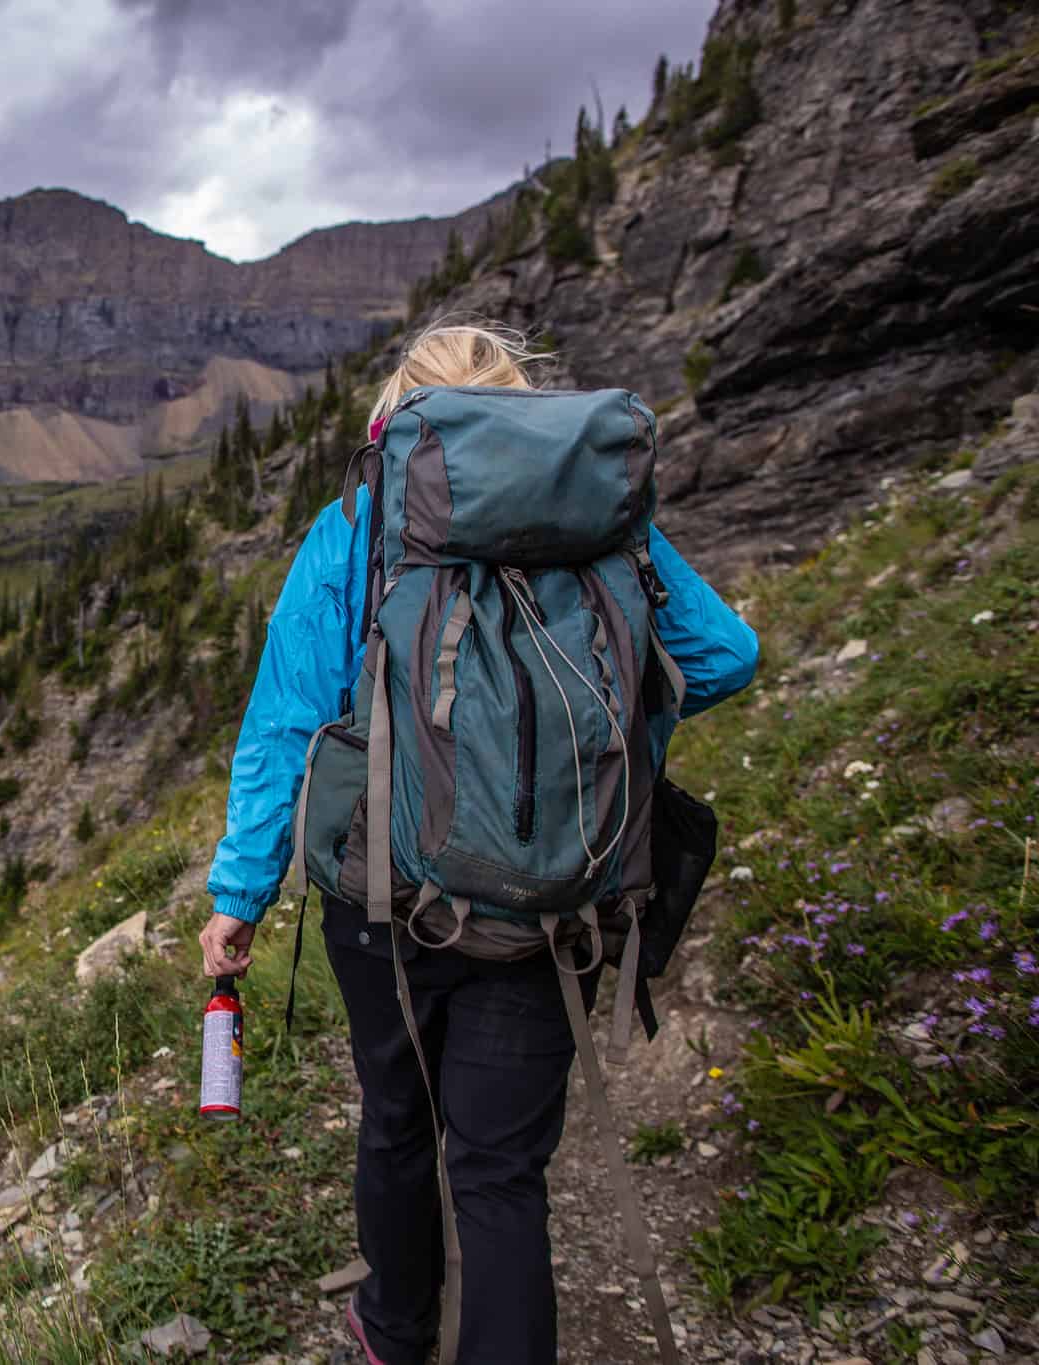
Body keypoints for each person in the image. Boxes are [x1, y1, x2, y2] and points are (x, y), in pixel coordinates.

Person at [198, 319, 759, 1365]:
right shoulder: (605, 529)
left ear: (396, 425)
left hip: (384, 907)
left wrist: (240, 894)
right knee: (500, 1173)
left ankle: (394, 1333)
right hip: (557, 909)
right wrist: (597, 742)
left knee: (397, 1123)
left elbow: (283, 727)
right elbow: (723, 656)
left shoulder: (355, 533)